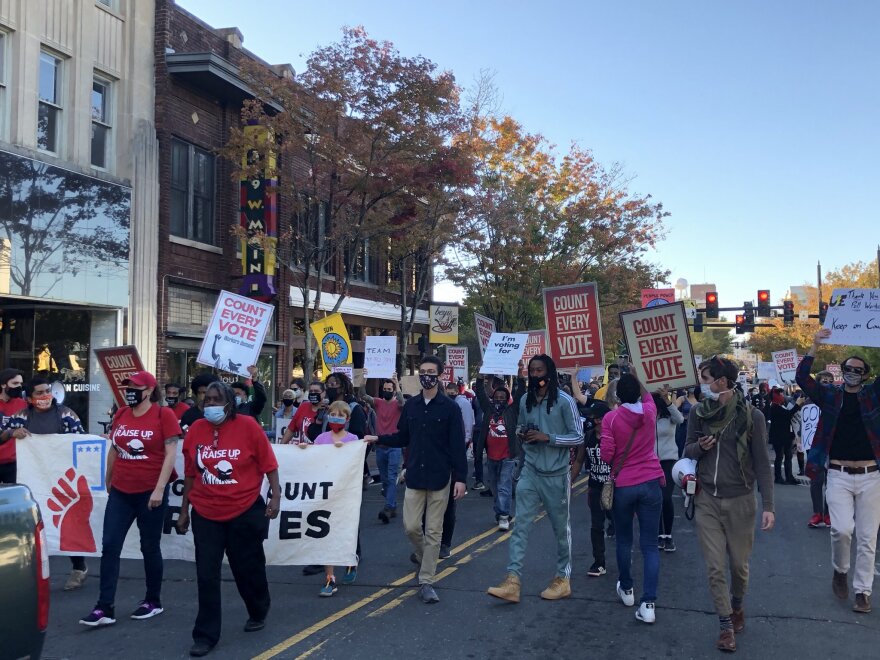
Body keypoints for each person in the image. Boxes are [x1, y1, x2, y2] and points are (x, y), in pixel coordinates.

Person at [177, 381, 280, 657]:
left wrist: (275, 497)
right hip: (206, 513)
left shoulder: (248, 427)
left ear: (229, 403)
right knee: (206, 574)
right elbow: (189, 473)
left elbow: (269, 465)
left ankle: (258, 608)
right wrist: (185, 510)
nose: (209, 404)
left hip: (244, 510)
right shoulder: (196, 430)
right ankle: (206, 635)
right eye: (206, 400)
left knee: (247, 568)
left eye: (215, 400)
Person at [685, 356, 775, 652]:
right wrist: (701, 447)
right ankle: (725, 626)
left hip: (741, 500)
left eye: (706, 377)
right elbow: (687, 449)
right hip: (706, 499)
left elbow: (762, 462)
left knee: (739, 566)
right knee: (714, 568)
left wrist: (769, 505)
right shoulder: (699, 413)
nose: (703, 383)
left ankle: (737, 604)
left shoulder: (752, 416)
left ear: (722, 381)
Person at [79, 371, 180, 627]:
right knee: (110, 545)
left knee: (149, 546)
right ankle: (105, 607)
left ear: (149, 390)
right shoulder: (122, 414)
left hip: (149, 492)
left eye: (134, 387)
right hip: (122, 491)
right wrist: (108, 477)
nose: (129, 391)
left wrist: (159, 489)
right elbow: (114, 446)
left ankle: (152, 601)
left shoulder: (163, 415)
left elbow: (170, 455)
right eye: (127, 387)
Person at [365, 355, 467, 605]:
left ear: (440, 375)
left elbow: (457, 447)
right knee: (411, 527)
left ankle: (427, 581)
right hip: (415, 476)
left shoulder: (450, 408)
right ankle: (425, 557)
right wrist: (379, 439)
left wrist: (461, 479)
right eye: (422, 371)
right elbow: (403, 437)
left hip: (440, 478)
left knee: (434, 531)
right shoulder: (411, 406)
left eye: (431, 371)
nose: (426, 376)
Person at [487, 354, 583, 603]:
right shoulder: (524, 401)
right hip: (530, 470)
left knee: (561, 530)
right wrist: (523, 433)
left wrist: (547, 438)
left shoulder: (565, 401)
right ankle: (512, 580)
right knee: (520, 527)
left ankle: (563, 579)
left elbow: (578, 437)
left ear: (549, 372)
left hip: (557, 475)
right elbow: (518, 426)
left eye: (540, 370)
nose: (535, 375)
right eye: (532, 371)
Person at [797, 328, 880, 614]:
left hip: (871, 476)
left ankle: (863, 592)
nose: (852, 372)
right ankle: (840, 570)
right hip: (837, 474)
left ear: (866, 374)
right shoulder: (830, 395)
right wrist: (814, 345)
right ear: (842, 371)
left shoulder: (873, 396)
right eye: (848, 368)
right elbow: (801, 379)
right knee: (842, 529)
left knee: (868, 538)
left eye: (858, 369)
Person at [1, 378, 88, 590]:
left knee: (67, 522)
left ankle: (79, 568)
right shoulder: (21, 416)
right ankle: (32, 571)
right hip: (34, 478)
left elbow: (81, 441)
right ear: (29, 399)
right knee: (34, 522)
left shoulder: (66, 414)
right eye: (39, 393)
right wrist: (12, 433)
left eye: (47, 391)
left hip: (62, 478)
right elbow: (2, 435)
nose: (45, 396)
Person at [601, 374, 664, 624]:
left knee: (624, 540)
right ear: (638, 392)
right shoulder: (650, 411)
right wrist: (639, 378)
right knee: (650, 545)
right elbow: (648, 397)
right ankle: (648, 603)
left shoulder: (611, 418)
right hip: (651, 481)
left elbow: (606, 455)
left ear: (617, 396)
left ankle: (626, 589)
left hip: (624, 485)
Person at [298, 401, 362, 596]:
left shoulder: (353, 439)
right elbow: (313, 459)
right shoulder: (321, 438)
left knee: (343, 530)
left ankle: (351, 560)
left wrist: (347, 450)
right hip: (325, 493)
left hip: (345, 493)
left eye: (340, 415)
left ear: (347, 419)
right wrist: (303, 450)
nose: (335, 418)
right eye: (332, 414)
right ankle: (330, 578)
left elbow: (356, 463)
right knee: (327, 533)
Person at [475, 370, 525, 530]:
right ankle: (500, 512)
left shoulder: (511, 411)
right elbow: (480, 393)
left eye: (502, 398)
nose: (499, 400)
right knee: (495, 487)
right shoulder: (488, 409)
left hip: (508, 455)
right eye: (497, 398)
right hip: (491, 456)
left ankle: (504, 515)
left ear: (507, 400)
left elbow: (520, 393)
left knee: (504, 485)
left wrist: (520, 375)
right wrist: (480, 376)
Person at [569, 401, 612, 577]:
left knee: (617, 522)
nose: (594, 421)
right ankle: (599, 562)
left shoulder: (615, 436)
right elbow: (579, 460)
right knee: (596, 525)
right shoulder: (587, 437)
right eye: (592, 418)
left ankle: (624, 557)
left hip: (614, 488)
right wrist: (569, 481)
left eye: (597, 418)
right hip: (595, 486)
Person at [359, 373, 405, 523]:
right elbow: (363, 395)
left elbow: (402, 402)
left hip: (394, 446)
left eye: (389, 388)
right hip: (380, 446)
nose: (387, 391)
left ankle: (388, 506)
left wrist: (397, 383)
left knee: (391, 476)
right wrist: (364, 378)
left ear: (393, 390)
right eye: (385, 388)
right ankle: (392, 506)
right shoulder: (378, 402)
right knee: (385, 479)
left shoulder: (398, 404)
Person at [652, 389, 684, 552]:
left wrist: (668, 401)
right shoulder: (648, 416)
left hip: (668, 461)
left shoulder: (670, 416)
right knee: (655, 498)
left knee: (665, 497)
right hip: (651, 462)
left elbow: (680, 419)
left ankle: (668, 535)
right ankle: (659, 534)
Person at [807, 370, 834, 528]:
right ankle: (817, 513)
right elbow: (803, 424)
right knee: (816, 481)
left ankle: (829, 513)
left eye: (830, 381)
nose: (827, 383)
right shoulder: (809, 402)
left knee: (832, 482)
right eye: (823, 380)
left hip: (833, 448)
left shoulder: (838, 402)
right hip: (815, 448)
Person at [768, 387, 801, 485]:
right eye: (781, 394)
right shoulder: (774, 407)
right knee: (779, 457)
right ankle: (778, 477)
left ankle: (789, 476)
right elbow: (788, 414)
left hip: (786, 436)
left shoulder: (781, 406)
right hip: (778, 437)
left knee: (788, 456)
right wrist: (797, 405)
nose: (783, 396)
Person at [0, 368, 27, 483]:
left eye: (20, 383)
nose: (19, 387)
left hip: (14, 464)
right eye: (15, 383)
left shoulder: (23, 404)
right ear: (3, 384)